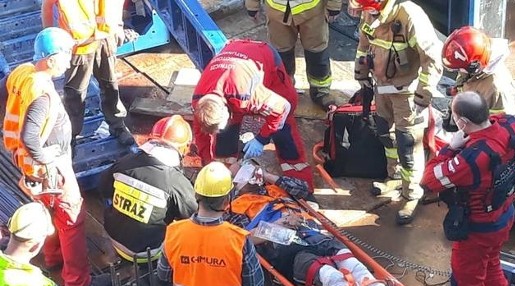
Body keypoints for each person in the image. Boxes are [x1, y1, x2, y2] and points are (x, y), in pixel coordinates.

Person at [227, 162, 429, 286]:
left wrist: (267, 175)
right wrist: (280, 224)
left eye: (249, 168)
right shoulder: (235, 208)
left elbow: (304, 188)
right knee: (329, 274)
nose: (248, 173)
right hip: (287, 250)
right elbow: (243, 240)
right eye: (242, 174)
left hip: (313, 233)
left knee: (351, 263)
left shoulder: (274, 188)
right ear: (236, 185)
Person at [1, 27, 110, 286]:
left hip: (30, 168)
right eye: (65, 55)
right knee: (72, 217)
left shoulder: (22, 73)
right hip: (50, 168)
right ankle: (78, 283)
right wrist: (50, 160)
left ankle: (52, 257)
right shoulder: (41, 93)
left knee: (47, 212)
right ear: (50, 59)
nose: (69, 61)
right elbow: (29, 136)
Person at [422, 91, 515, 286]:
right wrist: (485, 123)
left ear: (462, 123)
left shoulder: (470, 160)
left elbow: (429, 180)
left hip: (478, 230)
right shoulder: (510, 127)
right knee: (492, 265)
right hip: (504, 217)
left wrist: (451, 147)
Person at [353, 0, 443, 225]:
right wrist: (361, 73)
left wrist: (423, 96)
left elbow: (431, 59)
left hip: (407, 94)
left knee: (408, 143)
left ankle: (411, 193)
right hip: (381, 88)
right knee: (386, 133)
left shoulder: (410, 16)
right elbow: (364, 45)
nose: (365, 13)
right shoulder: (370, 13)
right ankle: (394, 176)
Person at [191, 39, 313, 191]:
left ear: (226, 110)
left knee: (285, 127)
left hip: (263, 56)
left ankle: (302, 183)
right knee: (224, 137)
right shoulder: (199, 104)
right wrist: (208, 166)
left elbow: (283, 108)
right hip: (234, 60)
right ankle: (228, 165)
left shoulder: (245, 94)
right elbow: (201, 137)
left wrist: (262, 139)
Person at [99, 115, 198, 263]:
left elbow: (103, 188)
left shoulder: (125, 163)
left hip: (112, 237)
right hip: (147, 253)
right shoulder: (176, 182)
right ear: (183, 147)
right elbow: (195, 217)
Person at [41, 0, 135, 146]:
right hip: (78, 46)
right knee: (75, 94)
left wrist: (118, 26)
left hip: (104, 38)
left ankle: (118, 126)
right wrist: (52, 39)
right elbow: (47, 7)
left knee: (110, 86)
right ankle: (69, 136)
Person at [245, 0, 340, 109]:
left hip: (313, 12)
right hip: (277, 12)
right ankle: (284, 90)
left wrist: (334, 5)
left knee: (317, 53)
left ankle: (321, 92)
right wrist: (252, 5)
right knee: (281, 55)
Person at [442, 26, 515, 116]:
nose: (459, 71)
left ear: (474, 66)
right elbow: (464, 82)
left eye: (459, 69)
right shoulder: (471, 65)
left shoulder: (497, 89)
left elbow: (502, 126)